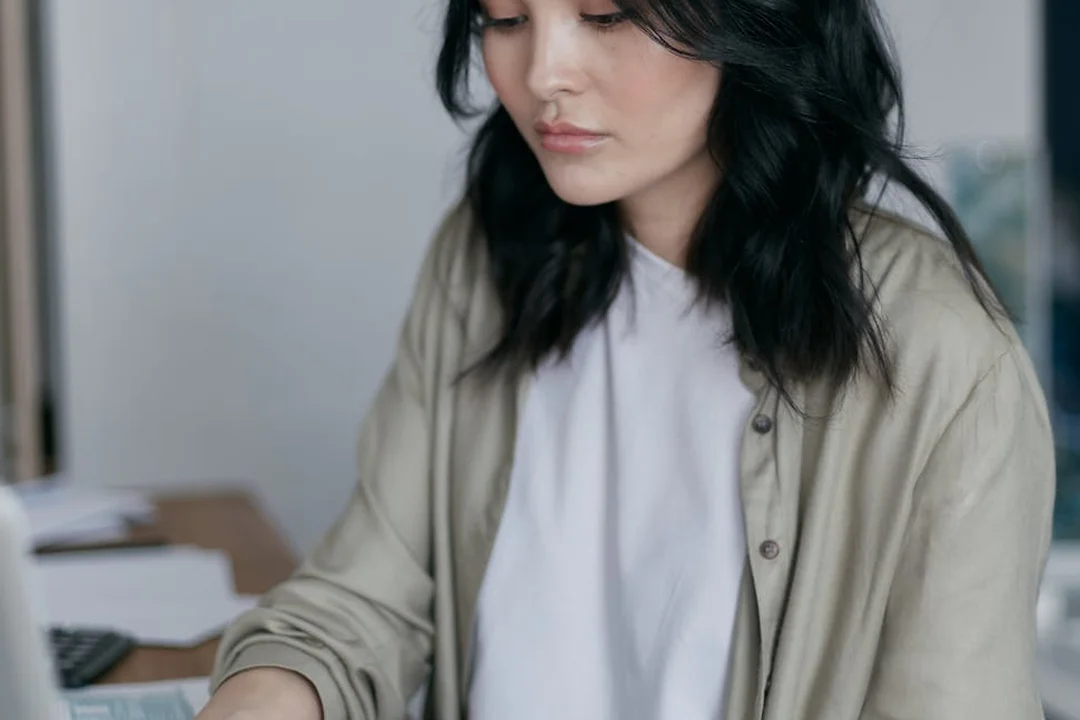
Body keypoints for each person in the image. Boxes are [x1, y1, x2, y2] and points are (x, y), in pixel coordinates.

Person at [195, 0, 1057, 717]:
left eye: (604, 14)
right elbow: (365, 596)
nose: (541, 75)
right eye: (503, 17)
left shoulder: (944, 362)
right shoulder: (485, 260)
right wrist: (269, 689)